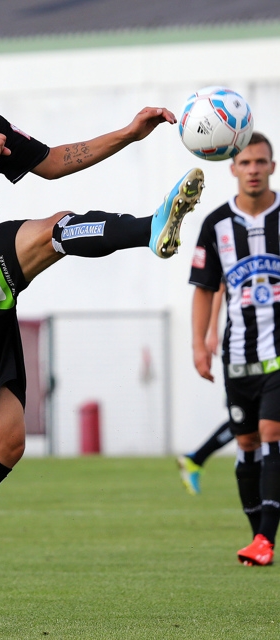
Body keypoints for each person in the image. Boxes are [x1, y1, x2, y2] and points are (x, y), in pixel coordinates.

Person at [0, 17, 204, 633]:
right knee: (53, 230)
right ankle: (148, 228)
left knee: (6, 442)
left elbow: (54, 160)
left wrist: (130, 135)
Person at [190, 131, 280, 567]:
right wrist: (199, 345)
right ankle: (258, 537)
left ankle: (265, 538)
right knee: (245, 442)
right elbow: (204, 290)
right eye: (245, 163)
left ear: (272, 167)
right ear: (233, 169)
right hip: (237, 356)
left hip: (279, 354)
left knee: (270, 434)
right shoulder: (216, 225)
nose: (253, 170)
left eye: (261, 162)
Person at [178, 282, 234, 495]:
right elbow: (218, 285)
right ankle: (195, 459)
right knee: (246, 424)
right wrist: (212, 331)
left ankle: (196, 459)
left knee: (252, 425)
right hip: (245, 353)